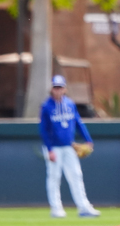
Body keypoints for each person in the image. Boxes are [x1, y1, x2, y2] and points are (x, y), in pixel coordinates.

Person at [39, 74, 101, 218]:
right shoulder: (46, 106)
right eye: (55, 87)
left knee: (76, 175)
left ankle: (84, 207)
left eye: (60, 87)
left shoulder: (70, 104)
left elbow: (78, 123)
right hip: (54, 147)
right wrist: (49, 149)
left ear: (65, 89)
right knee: (54, 177)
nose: (58, 90)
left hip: (69, 146)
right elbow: (44, 130)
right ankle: (56, 209)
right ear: (51, 89)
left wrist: (88, 140)